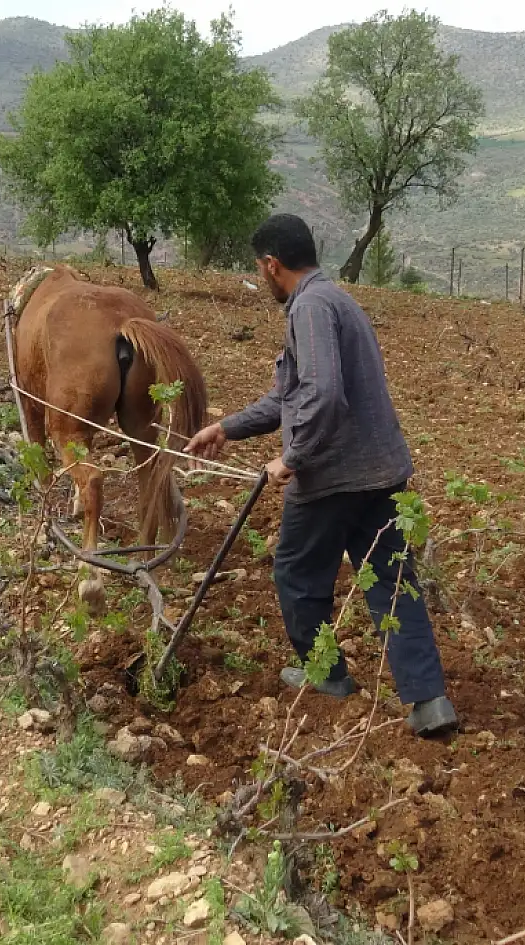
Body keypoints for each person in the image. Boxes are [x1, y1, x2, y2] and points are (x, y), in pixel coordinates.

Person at [186, 213, 458, 737]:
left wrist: (293, 457)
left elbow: (324, 394)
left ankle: (327, 674)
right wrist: (226, 428)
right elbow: (289, 397)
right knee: (393, 582)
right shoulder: (337, 300)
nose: (262, 275)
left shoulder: (308, 308)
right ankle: (430, 702)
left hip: (331, 477)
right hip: (382, 473)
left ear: (272, 265)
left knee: (297, 573)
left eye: (259, 268)